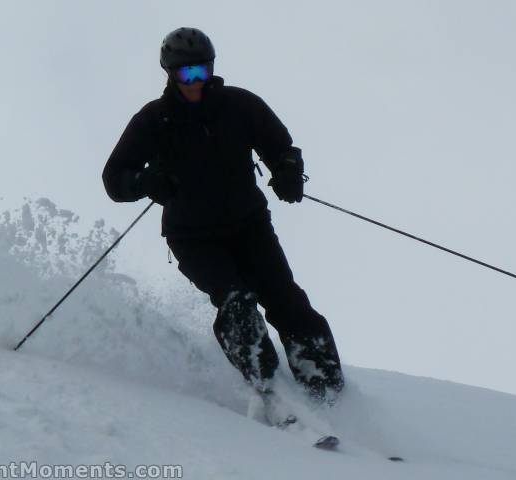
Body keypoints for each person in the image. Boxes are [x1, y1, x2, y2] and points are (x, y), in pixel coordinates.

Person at [102, 27, 344, 405]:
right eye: (187, 74)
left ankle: (326, 387)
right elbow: (114, 179)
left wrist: (287, 172)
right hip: (194, 238)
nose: (196, 82)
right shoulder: (153, 120)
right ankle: (266, 383)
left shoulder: (239, 105)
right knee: (235, 302)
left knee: (285, 300)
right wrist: (145, 181)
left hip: (249, 227)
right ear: (170, 74)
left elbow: (281, 147)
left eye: (202, 71)